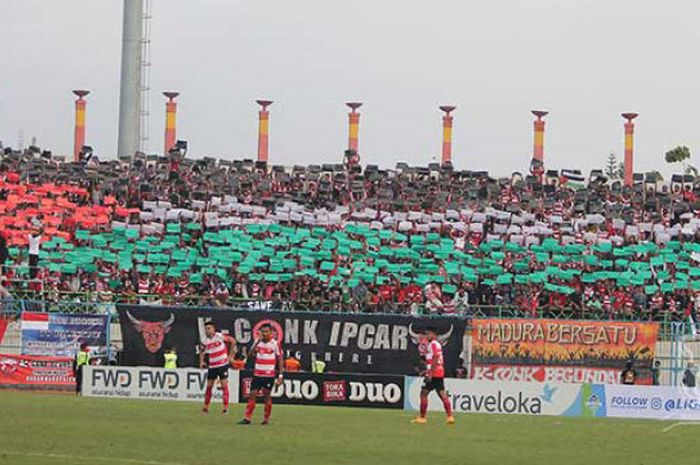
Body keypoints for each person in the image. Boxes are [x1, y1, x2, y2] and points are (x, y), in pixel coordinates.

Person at [238, 324, 284, 425]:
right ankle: (247, 418)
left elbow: (280, 359)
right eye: (262, 331)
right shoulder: (257, 342)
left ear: (271, 333)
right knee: (252, 395)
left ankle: (266, 419)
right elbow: (250, 354)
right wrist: (257, 342)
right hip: (257, 374)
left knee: (266, 396)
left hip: (269, 375)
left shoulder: (275, 344)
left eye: (266, 331)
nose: (264, 333)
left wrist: (280, 375)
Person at [411, 327, 455, 425]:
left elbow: (435, 357)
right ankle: (450, 416)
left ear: (433, 334)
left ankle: (422, 418)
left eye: (428, 334)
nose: (427, 336)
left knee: (423, 393)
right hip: (439, 372)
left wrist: (430, 373)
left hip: (434, 372)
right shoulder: (437, 344)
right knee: (442, 395)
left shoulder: (433, 344)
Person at [199, 322, 236, 414]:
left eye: (209, 328)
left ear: (214, 329)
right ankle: (205, 407)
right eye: (206, 329)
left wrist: (230, 356)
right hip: (212, 366)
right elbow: (202, 351)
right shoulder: (204, 340)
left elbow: (233, 341)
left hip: (222, 365)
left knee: (224, 386)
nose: (207, 330)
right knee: (209, 387)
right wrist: (202, 362)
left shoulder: (219, 336)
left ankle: (225, 408)